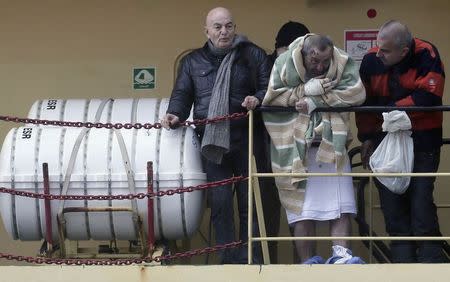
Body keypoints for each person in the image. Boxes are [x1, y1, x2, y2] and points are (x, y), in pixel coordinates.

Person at [162, 7, 271, 264]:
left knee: (250, 202)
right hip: (211, 141)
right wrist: (174, 114)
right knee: (220, 204)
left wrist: (258, 98)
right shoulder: (192, 61)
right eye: (218, 27)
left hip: (248, 137)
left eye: (229, 26)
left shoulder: (252, 54)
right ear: (207, 31)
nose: (224, 32)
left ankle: (251, 259)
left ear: (235, 27)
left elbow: (270, 87)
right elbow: (182, 94)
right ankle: (227, 259)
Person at [262, 34, 366, 264]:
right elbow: (272, 99)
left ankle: (341, 257)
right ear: (304, 54)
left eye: (324, 62)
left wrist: (315, 101)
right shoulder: (284, 63)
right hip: (296, 149)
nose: (320, 67)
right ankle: (307, 261)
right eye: (314, 62)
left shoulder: (341, 61)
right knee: (302, 211)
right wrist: (304, 91)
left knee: (341, 207)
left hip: (332, 145)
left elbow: (357, 94)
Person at [356, 20, 447, 263]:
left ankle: (431, 272)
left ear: (404, 51)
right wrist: (365, 138)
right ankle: (402, 271)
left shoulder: (427, 54)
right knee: (394, 213)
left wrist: (388, 111)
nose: (378, 53)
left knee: (421, 210)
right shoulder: (370, 61)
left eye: (385, 50)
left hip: (423, 143)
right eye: (378, 47)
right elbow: (364, 103)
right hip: (383, 144)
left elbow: (427, 97)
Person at [258, 21, 310, 264]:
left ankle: (302, 265)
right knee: (268, 210)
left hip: (299, 147)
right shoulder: (265, 66)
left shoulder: (311, 66)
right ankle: (268, 267)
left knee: (300, 209)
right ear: (277, 48)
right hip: (266, 145)